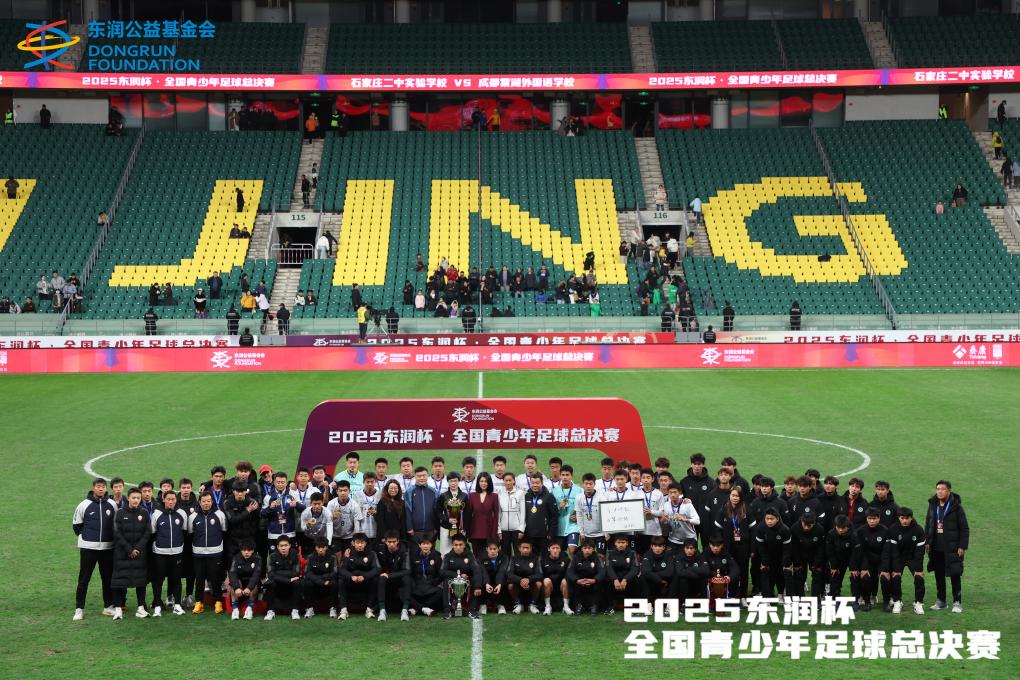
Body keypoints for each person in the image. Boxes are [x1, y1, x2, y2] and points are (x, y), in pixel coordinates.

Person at [72, 478, 119, 621]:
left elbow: (116, 524)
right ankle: (79, 609)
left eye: (103, 486)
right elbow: (76, 526)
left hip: (107, 548)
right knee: (84, 579)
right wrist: (87, 538)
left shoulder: (112, 504)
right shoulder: (83, 505)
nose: (101, 489)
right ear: (93, 488)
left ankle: (108, 606)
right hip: (88, 548)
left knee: (107, 579)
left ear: (106, 489)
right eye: (98, 486)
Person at [924, 480, 968, 613]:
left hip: (952, 547)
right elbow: (928, 523)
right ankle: (941, 601)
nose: (939, 491)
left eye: (942, 489)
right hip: (936, 547)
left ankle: (957, 602)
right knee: (939, 575)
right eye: (938, 489)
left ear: (949, 491)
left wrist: (962, 546)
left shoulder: (956, 507)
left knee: (955, 574)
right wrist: (927, 542)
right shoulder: (933, 505)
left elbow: (964, 528)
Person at [111, 487, 152, 620]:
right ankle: (118, 609)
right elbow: (117, 532)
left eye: (138, 498)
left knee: (141, 581)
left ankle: (140, 608)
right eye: (133, 498)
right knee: (119, 581)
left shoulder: (144, 513)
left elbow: (147, 532)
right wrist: (129, 549)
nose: (135, 500)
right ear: (128, 498)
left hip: (139, 554)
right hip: (122, 554)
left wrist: (137, 549)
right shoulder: (120, 513)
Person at [188, 492, 228, 614]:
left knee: (215, 578)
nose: (206, 503)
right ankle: (199, 602)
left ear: (212, 502)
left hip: (215, 552)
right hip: (198, 553)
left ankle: (218, 602)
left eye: (208, 501)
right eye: (204, 501)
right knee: (199, 579)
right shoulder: (193, 516)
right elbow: (190, 533)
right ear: (199, 502)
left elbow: (224, 531)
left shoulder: (220, 514)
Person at [150, 489, 188, 617]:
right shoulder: (156, 514)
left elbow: (184, 531)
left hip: (177, 552)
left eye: (173, 499)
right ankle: (157, 605)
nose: (171, 502)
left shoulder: (182, 513)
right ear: (163, 500)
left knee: (176, 580)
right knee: (158, 580)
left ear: (176, 500)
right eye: (168, 499)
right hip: (160, 553)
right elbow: (153, 532)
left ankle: (177, 605)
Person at [886, 507, 926, 615]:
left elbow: (920, 552)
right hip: (899, 557)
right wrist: (896, 569)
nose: (904, 520)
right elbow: (894, 552)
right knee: (896, 576)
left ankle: (918, 602)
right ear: (898, 518)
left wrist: (918, 569)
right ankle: (897, 601)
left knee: (919, 577)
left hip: (913, 557)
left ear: (911, 518)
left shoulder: (919, 530)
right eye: (902, 518)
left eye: (907, 518)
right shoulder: (893, 529)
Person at [337, 533, 381, 619]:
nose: (360, 545)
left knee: (375, 579)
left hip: (365, 580)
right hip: (352, 580)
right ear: (353, 543)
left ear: (366, 543)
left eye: (362, 543)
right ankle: (343, 610)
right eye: (357, 543)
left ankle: (369, 609)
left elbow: (377, 569)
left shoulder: (372, 553)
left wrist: (365, 576)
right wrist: (351, 576)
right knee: (341, 580)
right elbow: (342, 569)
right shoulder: (348, 553)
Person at [264, 535, 301, 620]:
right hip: (278, 583)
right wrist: (288, 579)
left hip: (289, 583)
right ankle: (270, 611)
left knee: (297, 582)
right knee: (270, 583)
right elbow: (271, 574)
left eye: (285, 545)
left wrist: (278, 573)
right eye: (281, 546)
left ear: (289, 545)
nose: (283, 548)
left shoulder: (295, 555)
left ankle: (295, 611)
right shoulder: (272, 556)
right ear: (277, 547)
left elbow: (296, 573)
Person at [227, 540, 262, 620]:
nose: (246, 552)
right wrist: (236, 588)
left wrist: (249, 588)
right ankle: (235, 609)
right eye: (244, 550)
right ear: (241, 550)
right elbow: (232, 573)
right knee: (234, 585)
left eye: (249, 550)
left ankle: (249, 609)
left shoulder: (258, 558)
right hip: (240, 581)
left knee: (254, 585)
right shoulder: (236, 558)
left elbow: (256, 575)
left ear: (253, 550)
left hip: (251, 582)